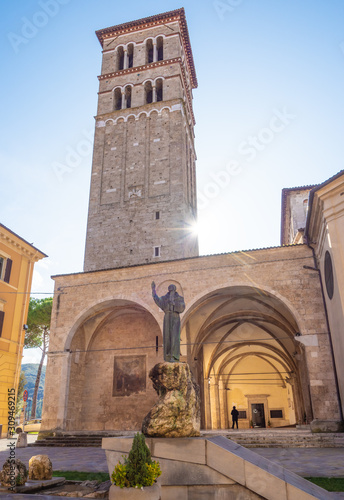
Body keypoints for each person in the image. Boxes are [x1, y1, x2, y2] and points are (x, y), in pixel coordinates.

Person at [151, 282, 185, 362]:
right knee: (167, 336)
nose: (171, 291)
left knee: (174, 336)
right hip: (167, 317)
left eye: (172, 290)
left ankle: (174, 356)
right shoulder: (164, 298)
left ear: (175, 290)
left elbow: (182, 307)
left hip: (175, 317)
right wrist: (153, 290)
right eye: (170, 290)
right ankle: (168, 356)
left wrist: (174, 304)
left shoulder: (179, 298)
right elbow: (157, 300)